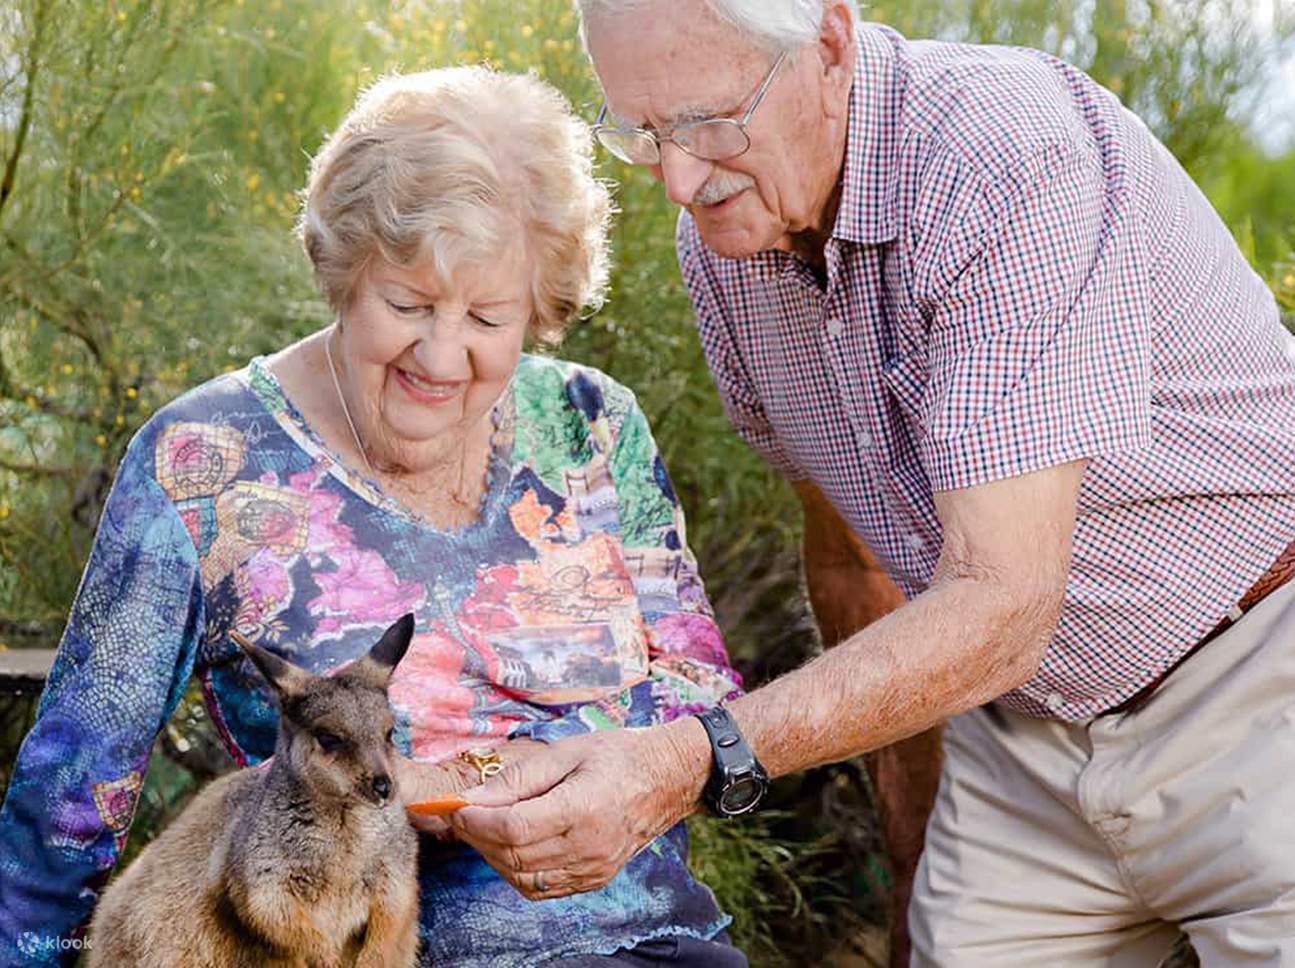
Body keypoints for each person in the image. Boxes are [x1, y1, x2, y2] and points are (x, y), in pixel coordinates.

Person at [446, 2, 1295, 965]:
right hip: (1020, 729)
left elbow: (1004, 600)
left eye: (707, 122)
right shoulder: (733, 237)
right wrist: (910, 848)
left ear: (830, 42)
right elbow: (854, 556)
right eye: (641, 134)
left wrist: (687, 761)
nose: (678, 180)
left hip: (1258, 683)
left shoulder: (1002, 153)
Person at [0, 66, 749, 968]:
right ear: (342, 273)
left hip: (657, 944)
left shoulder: (592, 424)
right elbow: (68, 807)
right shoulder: (202, 460)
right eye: (406, 304)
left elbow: (704, 701)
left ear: (540, 309)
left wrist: (594, 776)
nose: (440, 354)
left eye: (486, 316)